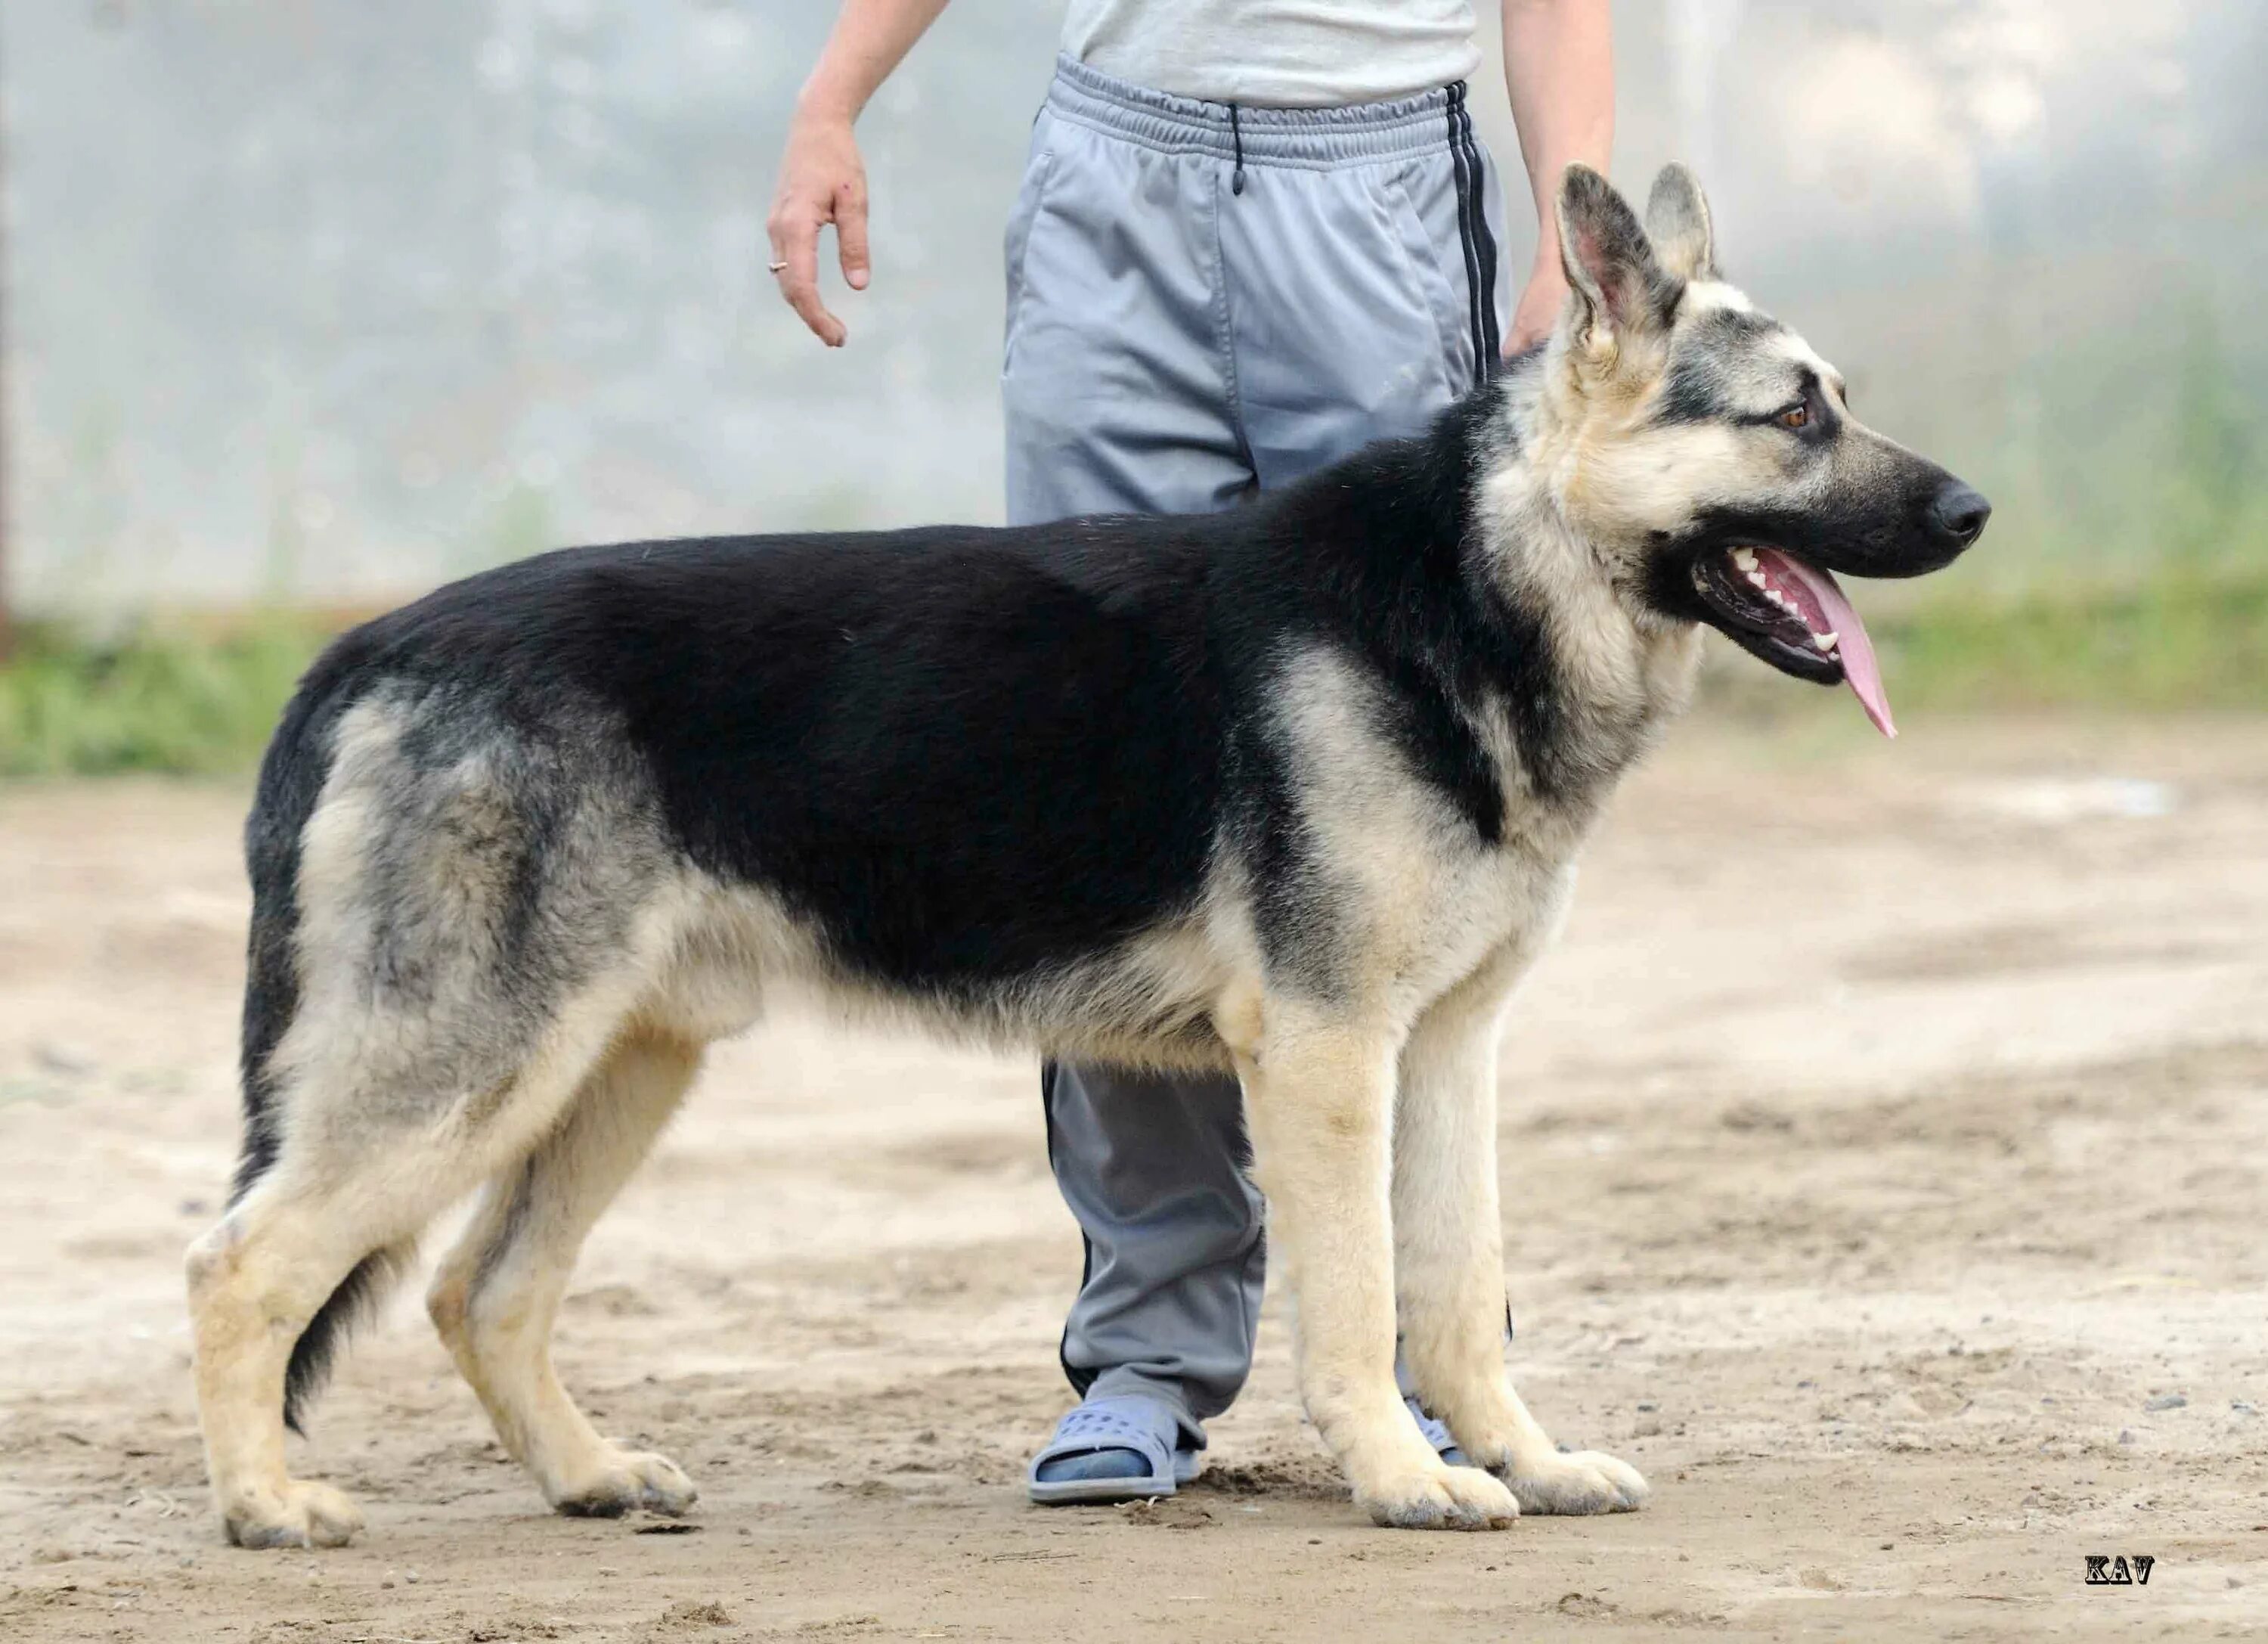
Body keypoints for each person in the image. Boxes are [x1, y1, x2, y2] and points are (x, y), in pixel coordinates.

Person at [769, 0, 1613, 1505]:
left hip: (1374, 178)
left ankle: (1430, 1371)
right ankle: (1150, 1354)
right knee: (1101, 774)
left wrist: (1566, 222)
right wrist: (831, 101)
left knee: (1398, 825)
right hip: (1116, 167)